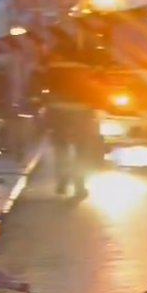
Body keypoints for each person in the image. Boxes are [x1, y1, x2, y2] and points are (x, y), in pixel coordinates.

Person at [38, 27, 103, 198]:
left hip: (58, 109)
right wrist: (97, 105)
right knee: (81, 149)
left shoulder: (51, 58)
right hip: (81, 110)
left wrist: (42, 102)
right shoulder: (86, 57)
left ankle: (62, 180)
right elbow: (95, 83)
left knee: (61, 146)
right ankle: (79, 185)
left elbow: (42, 81)